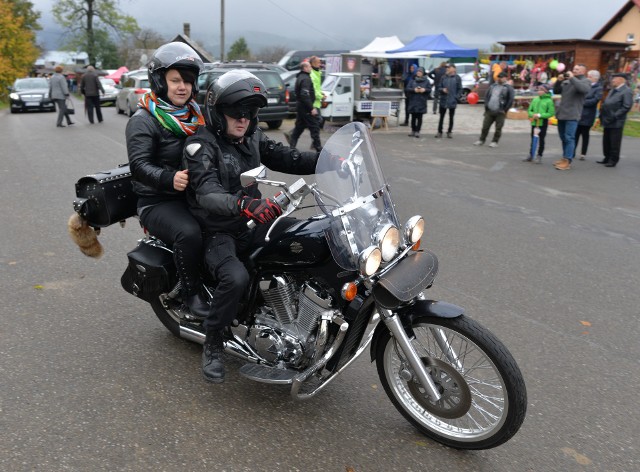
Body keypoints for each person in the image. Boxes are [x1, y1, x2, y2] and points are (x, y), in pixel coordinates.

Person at [183, 70, 320, 383]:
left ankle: (296, 316)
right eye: (235, 112)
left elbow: (286, 156)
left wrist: (328, 160)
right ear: (218, 112)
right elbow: (207, 192)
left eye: (249, 113)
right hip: (219, 228)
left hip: (256, 220)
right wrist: (242, 204)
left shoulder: (252, 137)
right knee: (234, 276)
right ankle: (214, 343)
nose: (243, 119)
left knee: (304, 239)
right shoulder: (200, 147)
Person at [125, 41, 209, 320]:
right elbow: (138, 165)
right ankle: (190, 293)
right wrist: (167, 178)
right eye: (175, 80)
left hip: (193, 194)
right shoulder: (144, 119)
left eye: (188, 80)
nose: (182, 86)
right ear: (160, 82)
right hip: (157, 200)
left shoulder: (196, 115)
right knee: (189, 232)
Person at [552, 64, 590, 171]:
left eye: (577, 69)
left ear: (583, 71)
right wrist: (559, 81)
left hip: (572, 114)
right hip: (562, 113)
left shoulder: (585, 81)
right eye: (574, 69)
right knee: (563, 137)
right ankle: (564, 158)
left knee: (569, 137)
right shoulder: (567, 80)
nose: (574, 70)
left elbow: (583, 89)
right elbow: (556, 91)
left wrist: (572, 78)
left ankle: (568, 160)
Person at [597, 72, 633, 168]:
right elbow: (607, 103)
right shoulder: (613, 90)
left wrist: (614, 116)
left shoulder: (626, 91)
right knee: (606, 141)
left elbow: (626, 106)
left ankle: (613, 160)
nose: (612, 80)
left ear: (621, 80)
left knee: (614, 142)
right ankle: (607, 157)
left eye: (615, 78)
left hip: (616, 121)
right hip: (607, 119)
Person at [473, 71, 515, 148]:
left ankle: (495, 141)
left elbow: (510, 99)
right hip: (489, 110)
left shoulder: (508, 88)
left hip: (500, 111)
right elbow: (487, 96)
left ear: (505, 78)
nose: (499, 79)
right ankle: (481, 140)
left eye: (501, 77)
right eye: (499, 77)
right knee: (485, 126)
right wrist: (486, 105)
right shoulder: (493, 86)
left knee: (498, 128)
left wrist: (505, 109)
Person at [287, 61, 322, 152]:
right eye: (309, 67)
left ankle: (292, 147)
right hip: (306, 107)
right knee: (314, 126)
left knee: (299, 126)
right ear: (305, 68)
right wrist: (311, 108)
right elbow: (304, 94)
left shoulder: (300, 77)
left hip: (300, 106)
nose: (311, 68)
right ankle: (318, 149)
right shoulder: (306, 79)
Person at [573, 70, 603, 160]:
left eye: (589, 76)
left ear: (595, 78)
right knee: (575, 134)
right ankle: (572, 151)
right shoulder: (585, 85)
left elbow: (595, 100)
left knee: (585, 134)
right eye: (588, 76)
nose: (587, 78)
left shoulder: (598, 88)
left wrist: (582, 102)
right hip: (579, 113)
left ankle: (583, 153)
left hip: (588, 114)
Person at [524, 83, 555, 163]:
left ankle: (539, 155)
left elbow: (551, 113)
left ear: (546, 91)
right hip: (534, 122)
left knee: (541, 139)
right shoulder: (535, 99)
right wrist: (532, 115)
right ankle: (531, 154)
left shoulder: (549, 101)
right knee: (533, 138)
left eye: (541, 90)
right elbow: (530, 110)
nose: (539, 91)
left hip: (542, 123)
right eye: (539, 89)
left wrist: (540, 115)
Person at [435, 64, 462, 139]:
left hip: (452, 100)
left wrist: (456, 97)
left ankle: (449, 132)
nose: (447, 69)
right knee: (441, 117)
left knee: (451, 117)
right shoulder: (443, 77)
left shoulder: (457, 78)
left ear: (454, 69)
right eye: (447, 68)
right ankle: (439, 132)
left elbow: (460, 89)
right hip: (443, 100)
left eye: (449, 68)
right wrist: (442, 90)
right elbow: (439, 87)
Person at [405, 67, 431, 138]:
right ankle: (413, 130)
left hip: (421, 101)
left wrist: (424, 90)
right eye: (418, 71)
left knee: (419, 117)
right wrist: (414, 90)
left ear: (423, 73)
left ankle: (417, 131)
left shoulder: (426, 81)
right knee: (413, 117)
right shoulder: (412, 80)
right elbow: (407, 88)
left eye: (420, 72)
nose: (418, 73)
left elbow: (429, 89)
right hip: (413, 101)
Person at [309, 56, 325, 131]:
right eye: (318, 62)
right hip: (314, 103)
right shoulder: (313, 75)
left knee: (304, 122)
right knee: (318, 120)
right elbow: (313, 90)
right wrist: (321, 97)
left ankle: (292, 135)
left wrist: (321, 93)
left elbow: (317, 88)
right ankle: (316, 140)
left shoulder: (317, 73)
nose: (320, 64)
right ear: (313, 63)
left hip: (316, 102)